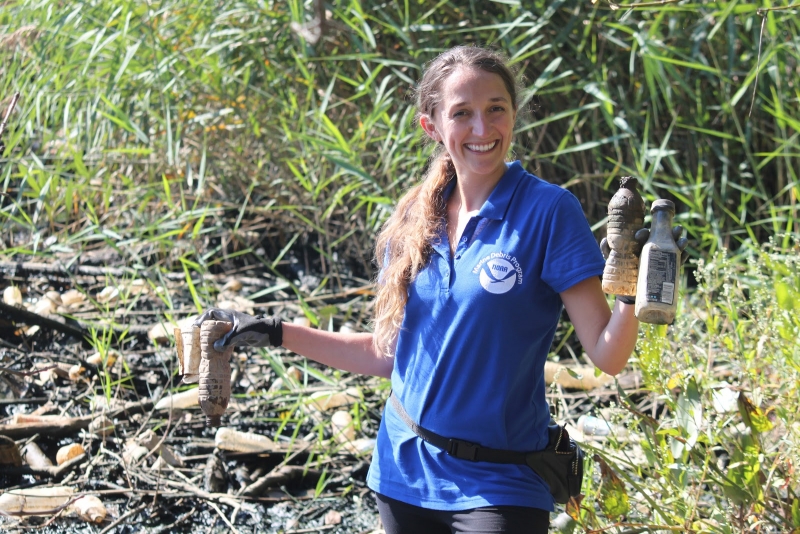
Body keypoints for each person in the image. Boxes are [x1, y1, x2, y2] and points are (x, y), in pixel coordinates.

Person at [195, 45, 674, 533]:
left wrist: (633, 285)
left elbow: (607, 356)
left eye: (496, 110)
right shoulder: (413, 220)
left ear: (514, 113)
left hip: (504, 479)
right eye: (462, 114)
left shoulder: (548, 212)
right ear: (432, 126)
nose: (483, 130)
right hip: (404, 472)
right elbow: (388, 357)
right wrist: (272, 332)